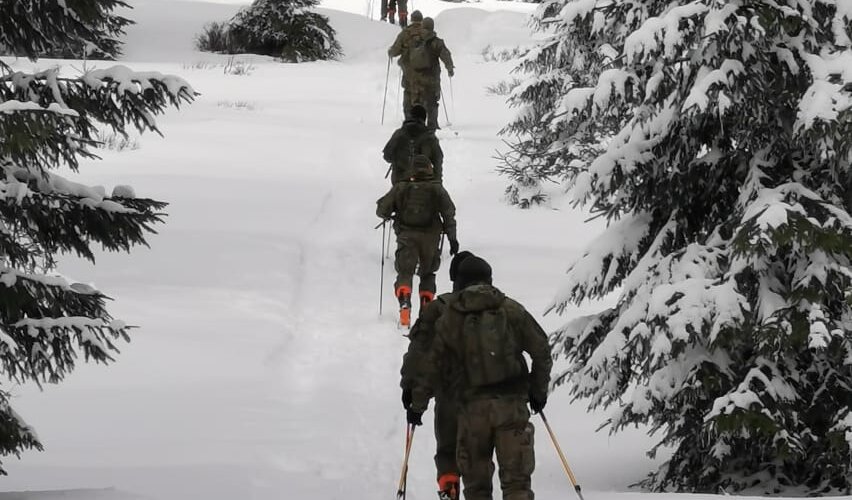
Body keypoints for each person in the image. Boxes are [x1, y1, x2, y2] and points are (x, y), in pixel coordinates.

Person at [407, 256, 553, 500]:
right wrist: (537, 392)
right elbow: (542, 350)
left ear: (458, 283)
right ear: (489, 279)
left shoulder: (450, 317)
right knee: (517, 484)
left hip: (471, 411)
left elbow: (430, 363)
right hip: (512, 407)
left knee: (477, 489)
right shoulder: (511, 309)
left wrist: (417, 403)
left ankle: (449, 486)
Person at [400, 250, 474, 500]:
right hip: (489, 394)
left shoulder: (439, 308)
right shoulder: (500, 307)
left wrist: (410, 389)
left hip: (449, 393)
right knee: (479, 456)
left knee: (448, 449)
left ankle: (449, 487)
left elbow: (420, 352)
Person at [376, 155, 459, 327]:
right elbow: (449, 213)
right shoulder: (437, 189)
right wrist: (452, 239)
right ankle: (426, 307)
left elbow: (382, 210)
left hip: (407, 235)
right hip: (431, 237)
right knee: (427, 273)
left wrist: (389, 211)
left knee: (405, 273)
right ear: (430, 168)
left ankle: (405, 306)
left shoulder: (401, 187)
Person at [388, 14, 454, 129]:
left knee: (411, 99)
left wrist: (392, 53)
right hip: (432, 76)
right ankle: (432, 125)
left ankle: (411, 124)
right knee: (432, 100)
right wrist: (450, 68)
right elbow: (445, 54)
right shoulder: (435, 41)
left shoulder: (409, 36)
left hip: (412, 76)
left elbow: (396, 51)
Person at [382, 104, 444, 184]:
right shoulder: (430, 137)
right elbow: (438, 159)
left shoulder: (399, 134)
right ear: (424, 119)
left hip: (400, 181)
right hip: (424, 181)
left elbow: (387, 156)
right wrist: (437, 181)